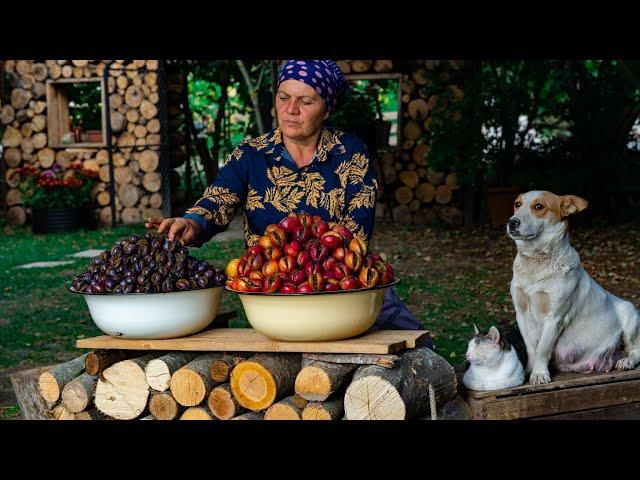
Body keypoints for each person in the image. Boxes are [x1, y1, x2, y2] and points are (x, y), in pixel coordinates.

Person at [146, 59, 421, 331]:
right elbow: (218, 199)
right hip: (273, 295)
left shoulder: (350, 153)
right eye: (284, 97)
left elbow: (356, 230)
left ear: (326, 109)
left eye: (306, 101)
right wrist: (192, 223)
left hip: (343, 292)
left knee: (417, 346)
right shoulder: (251, 154)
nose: (291, 110)